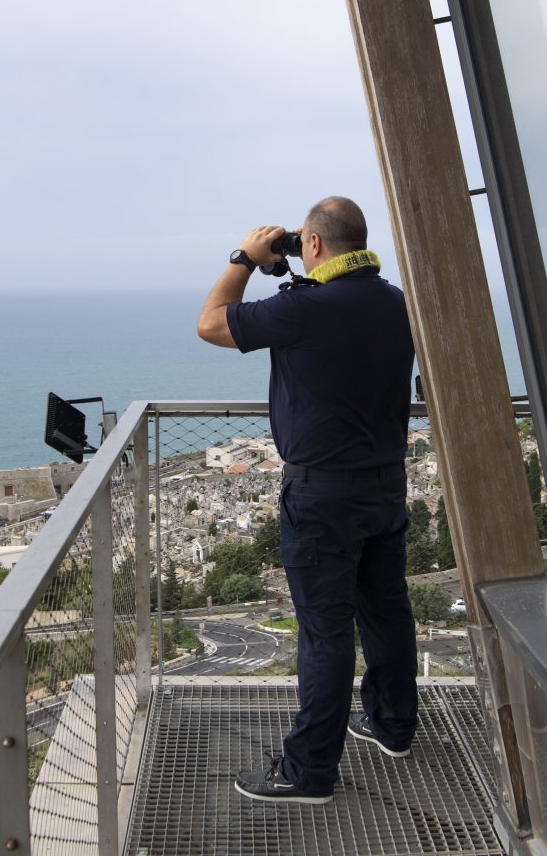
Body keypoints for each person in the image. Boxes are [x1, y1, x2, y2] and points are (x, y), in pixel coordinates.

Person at [197, 196, 418, 804]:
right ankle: (393, 726)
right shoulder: (396, 302)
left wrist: (244, 257)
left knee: (324, 633)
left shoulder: (305, 309)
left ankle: (310, 771)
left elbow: (212, 321)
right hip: (385, 483)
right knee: (387, 612)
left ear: (313, 245)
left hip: (323, 494)